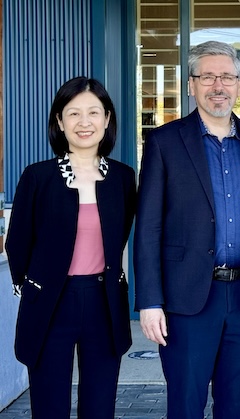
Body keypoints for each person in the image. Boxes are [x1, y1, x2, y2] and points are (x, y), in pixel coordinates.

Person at [133, 40, 240, 419]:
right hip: (186, 301)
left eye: (226, 76)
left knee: (238, 405)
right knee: (186, 405)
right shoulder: (164, 142)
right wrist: (149, 301)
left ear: (238, 83)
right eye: (207, 76)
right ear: (191, 84)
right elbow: (148, 227)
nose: (217, 85)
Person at [5, 77, 136, 418]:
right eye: (73, 113)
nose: (84, 122)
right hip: (50, 301)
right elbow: (17, 242)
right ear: (60, 122)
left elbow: (121, 236)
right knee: (49, 406)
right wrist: (33, 288)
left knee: (99, 406)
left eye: (94, 112)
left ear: (107, 119)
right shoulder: (38, 176)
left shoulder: (123, 177)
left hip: (103, 303)